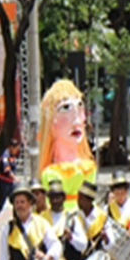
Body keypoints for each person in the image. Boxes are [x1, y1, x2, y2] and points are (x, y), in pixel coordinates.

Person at [39, 80, 97, 212]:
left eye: (80, 107)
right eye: (66, 109)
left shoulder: (89, 167)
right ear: (51, 122)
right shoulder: (50, 173)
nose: (77, 121)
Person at [0, 140, 21, 217]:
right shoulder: (6, 154)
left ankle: (17, 218)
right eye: (16, 148)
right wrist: (15, 178)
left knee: (16, 200)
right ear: (11, 147)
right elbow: (7, 169)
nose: (17, 151)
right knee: (1, 203)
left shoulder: (13, 155)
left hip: (10, 183)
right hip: (4, 182)